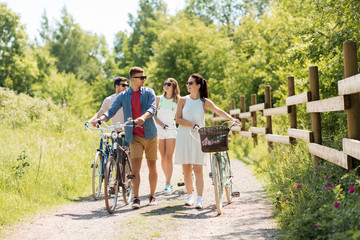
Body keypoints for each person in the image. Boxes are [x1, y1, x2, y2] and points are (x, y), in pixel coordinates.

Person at [93, 66, 158, 209]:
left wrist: (143, 117)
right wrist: (100, 119)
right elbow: (111, 111)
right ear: (133, 79)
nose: (144, 80)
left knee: (152, 166)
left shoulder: (149, 92)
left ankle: (152, 196)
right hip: (133, 135)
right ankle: (136, 198)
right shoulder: (123, 96)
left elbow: (152, 109)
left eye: (144, 77)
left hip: (150, 134)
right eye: (142, 78)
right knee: (135, 169)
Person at [174, 73, 240, 209]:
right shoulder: (182, 100)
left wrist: (232, 119)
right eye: (187, 83)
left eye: (190, 83)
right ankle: (189, 196)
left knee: (197, 168)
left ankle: (199, 198)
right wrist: (192, 124)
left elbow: (218, 111)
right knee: (186, 168)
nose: (188, 85)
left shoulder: (204, 102)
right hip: (184, 135)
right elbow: (178, 119)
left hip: (199, 136)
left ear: (198, 86)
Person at [154, 78, 180, 193]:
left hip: (171, 130)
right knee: (163, 157)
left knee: (169, 157)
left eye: (169, 84)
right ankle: (167, 178)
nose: (166, 86)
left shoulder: (178, 101)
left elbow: (180, 116)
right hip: (159, 130)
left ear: (174, 86)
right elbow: (152, 115)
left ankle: (168, 183)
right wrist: (161, 124)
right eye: (165, 84)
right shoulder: (158, 99)